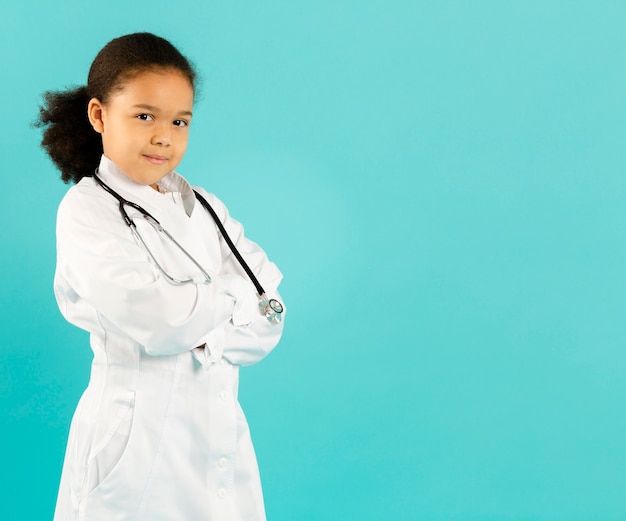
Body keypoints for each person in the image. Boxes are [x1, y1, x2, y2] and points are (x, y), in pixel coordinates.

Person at [37, 32, 285, 521]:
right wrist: (233, 300)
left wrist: (203, 320)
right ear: (99, 116)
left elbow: (268, 323)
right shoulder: (87, 210)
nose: (163, 136)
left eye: (180, 121)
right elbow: (158, 322)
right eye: (144, 116)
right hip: (135, 439)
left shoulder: (208, 208)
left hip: (217, 433)